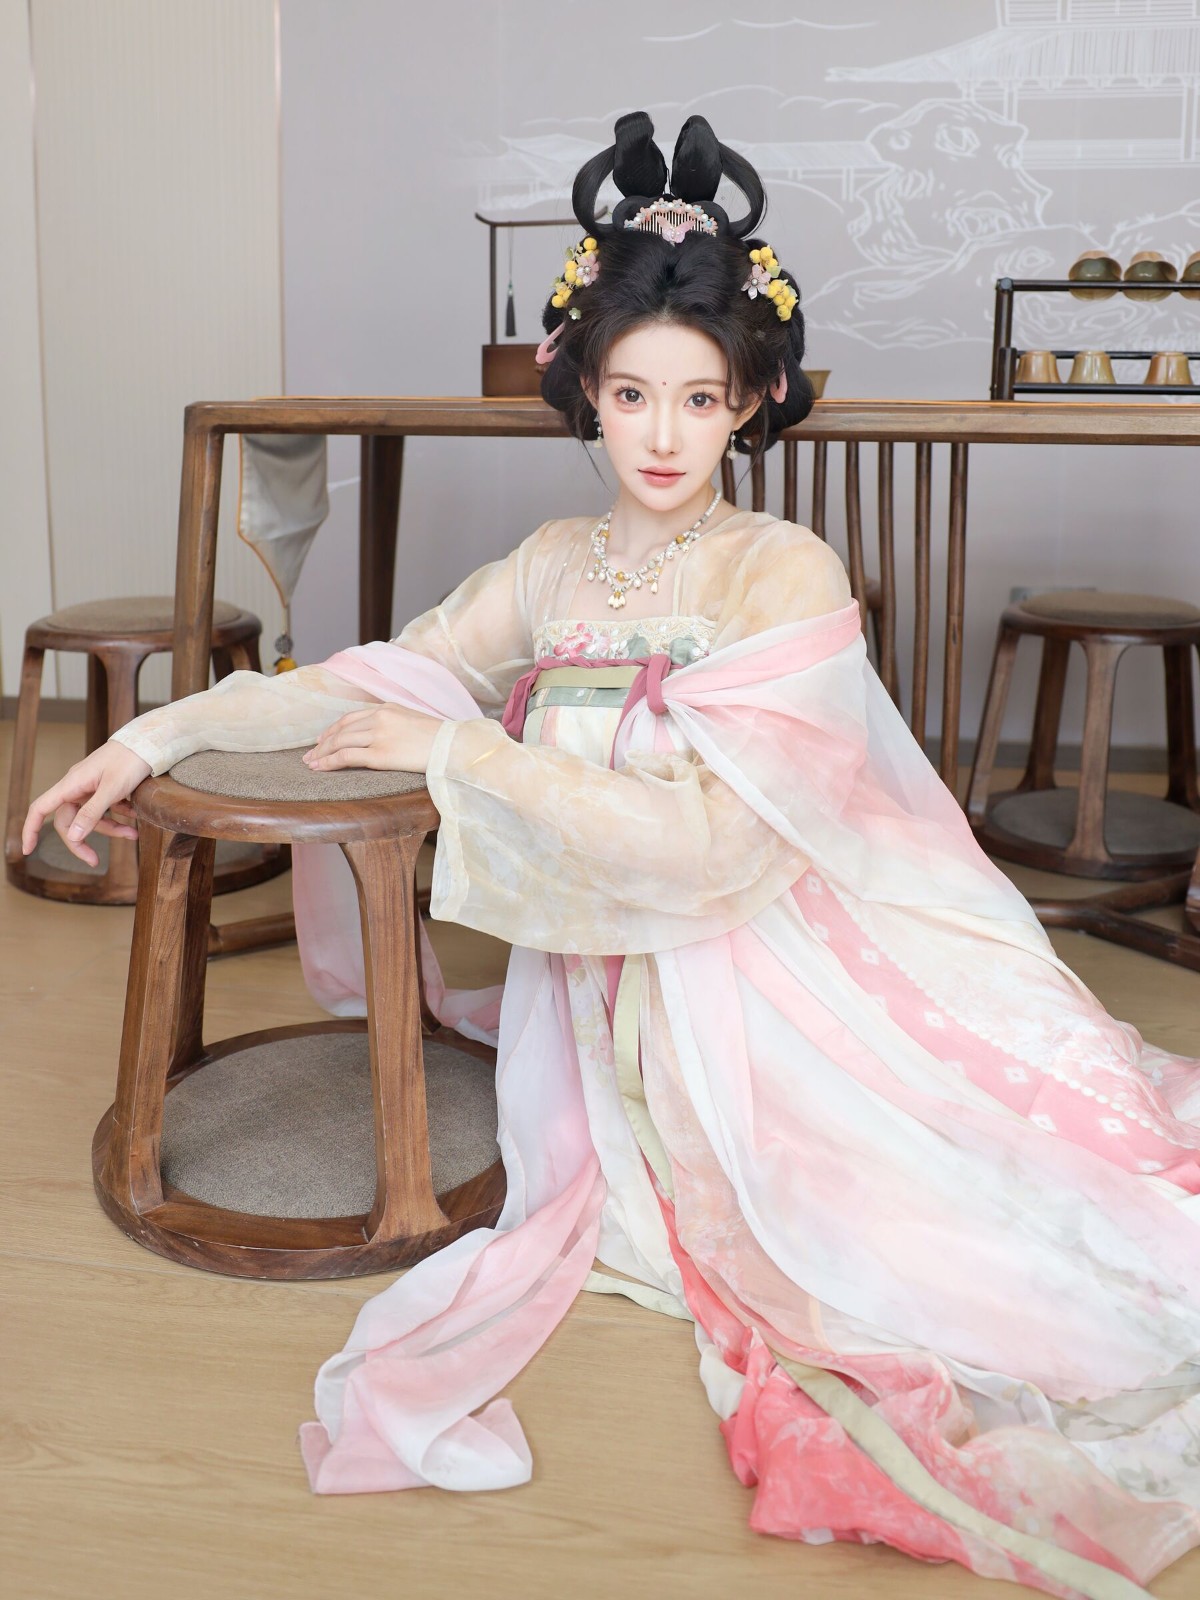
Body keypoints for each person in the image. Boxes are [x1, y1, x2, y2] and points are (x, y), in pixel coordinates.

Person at [23, 112, 1200, 1598]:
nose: (659, 437)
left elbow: (713, 844)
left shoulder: (780, 573)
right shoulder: (553, 567)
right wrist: (154, 733)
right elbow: (375, 677)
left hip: (773, 959)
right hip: (609, 970)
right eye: (631, 394)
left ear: (751, 403)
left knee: (961, 1225)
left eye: (699, 400)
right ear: (584, 388)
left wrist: (464, 753)